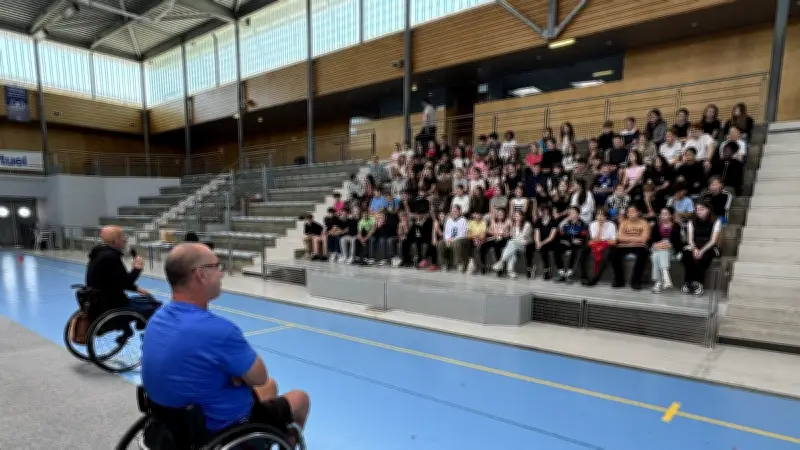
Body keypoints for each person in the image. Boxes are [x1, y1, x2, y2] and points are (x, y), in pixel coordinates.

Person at [141, 243, 310, 441]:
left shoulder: (157, 319)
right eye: (216, 266)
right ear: (201, 274)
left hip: (173, 425)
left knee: (270, 387)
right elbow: (259, 377)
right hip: (221, 429)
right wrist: (235, 375)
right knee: (299, 399)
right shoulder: (218, 331)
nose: (221, 273)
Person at [85, 226, 159, 342]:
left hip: (100, 302)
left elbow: (114, 282)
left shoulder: (98, 253)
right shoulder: (111, 257)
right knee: (155, 305)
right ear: (115, 240)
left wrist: (136, 288)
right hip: (113, 305)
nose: (125, 240)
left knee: (145, 298)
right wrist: (137, 268)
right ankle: (143, 329)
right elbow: (125, 282)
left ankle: (128, 330)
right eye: (123, 237)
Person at [681, 202, 722, 296]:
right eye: (697, 209)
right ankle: (688, 282)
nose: (698, 211)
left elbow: (713, 240)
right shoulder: (691, 221)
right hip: (695, 245)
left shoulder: (716, 221)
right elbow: (690, 239)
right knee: (687, 254)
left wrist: (702, 251)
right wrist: (694, 248)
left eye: (702, 209)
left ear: (708, 210)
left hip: (709, 246)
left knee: (703, 257)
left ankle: (698, 282)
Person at [610, 205, 650, 290]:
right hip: (624, 246)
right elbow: (620, 237)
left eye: (633, 212)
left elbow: (644, 238)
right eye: (629, 212)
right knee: (613, 253)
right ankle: (619, 280)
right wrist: (635, 239)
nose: (630, 214)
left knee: (642, 254)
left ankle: (636, 281)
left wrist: (628, 239)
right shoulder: (624, 223)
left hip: (639, 246)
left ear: (638, 213)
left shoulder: (644, 223)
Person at [648, 207, 683, 293]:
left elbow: (677, 242)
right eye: (661, 214)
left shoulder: (676, 226)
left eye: (665, 214)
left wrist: (668, 245)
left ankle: (658, 283)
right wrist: (656, 245)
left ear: (671, 215)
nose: (663, 216)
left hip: (671, 249)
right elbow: (652, 241)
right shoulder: (656, 226)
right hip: (658, 248)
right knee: (658, 253)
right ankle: (665, 277)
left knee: (656, 255)